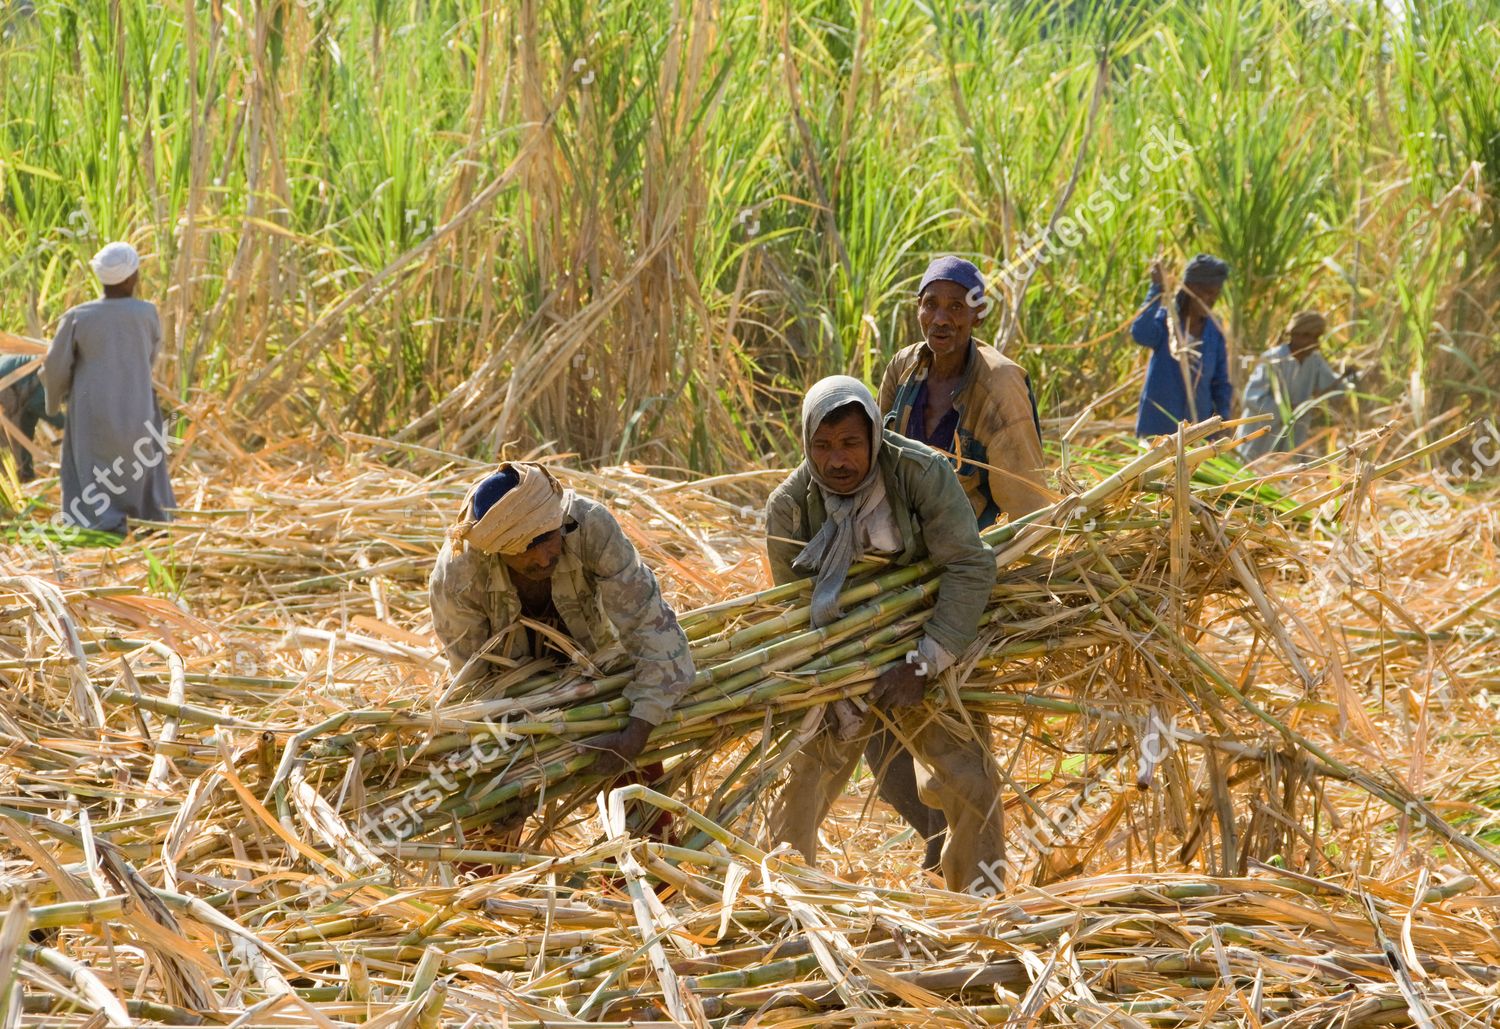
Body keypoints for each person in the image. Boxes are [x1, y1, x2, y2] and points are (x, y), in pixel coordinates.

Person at [765, 375, 1006, 892]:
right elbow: (792, 610)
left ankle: (980, 906)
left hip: (925, 646)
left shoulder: (921, 473)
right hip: (835, 658)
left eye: (851, 443)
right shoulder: (789, 506)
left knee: (970, 776)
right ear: (806, 443)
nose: (838, 461)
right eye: (822, 446)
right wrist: (833, 679)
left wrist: (925, 661)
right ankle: (785, 902)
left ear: (874, 436)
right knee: (800, 777)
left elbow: (969, 566)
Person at [874, 255, 1048, 870]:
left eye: (955, 306)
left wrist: (1004, 576)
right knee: (880, 726)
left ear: (978, 312)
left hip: (966, 569)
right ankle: (940, 841)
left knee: (962, 735)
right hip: (897, 569)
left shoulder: (998, 384)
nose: (939, 318)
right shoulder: (906, 369)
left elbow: (1025, 496)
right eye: (930, 304)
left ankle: (980, 888)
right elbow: (874, 459)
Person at [429, 462, 695, 778]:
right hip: (514, 701)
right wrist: (510, 774)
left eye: (549, 537)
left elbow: (651, 630)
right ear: (495, 549)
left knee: (644, 793)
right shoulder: (458, 578)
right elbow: (476, 686)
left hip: (599, 675)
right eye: (525, 547)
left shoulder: (588, 526)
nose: (544, 558)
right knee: (488, 800)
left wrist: (636, 733)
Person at [41, 242, 175, 534]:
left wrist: (54, 403)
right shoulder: (147, 314)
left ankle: (98, 522)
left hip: (92, 411)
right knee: (141, 462)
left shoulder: (79, 316)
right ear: (129, 278)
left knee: (92, 467)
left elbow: (55, 367)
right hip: (138, 407)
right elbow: (149, 358)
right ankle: (147, 520)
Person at [1132, 253, 1233, 437]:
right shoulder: (1166, 321)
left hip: (1196, 433)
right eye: (1207, 292)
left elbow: (1220, 383)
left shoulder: (1215, 332)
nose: (1211, 300)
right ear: (1189, 289)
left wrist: (1222, 422)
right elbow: (1140, 333)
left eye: (1216, 294)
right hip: (1158, 432)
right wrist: (1156, 289)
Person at [1238, 311, 1356, 462]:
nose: (1313, 342)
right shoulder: (1273, 359)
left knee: (1286, 475)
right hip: (1261, 436)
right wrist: (1287, 409)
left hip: (1293, 439)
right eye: (1307, 336)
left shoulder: (1315, 361)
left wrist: (1350, 380)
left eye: (1316, 337)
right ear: (1294, 335)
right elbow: (1252, 398)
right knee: (1252, 471)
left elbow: (1334, 387)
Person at [0, 354, 63, 482]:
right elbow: (41, 405)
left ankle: (25, 477)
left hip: (21, 393)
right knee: (14, 439)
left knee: (23, 435)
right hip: (11, 389)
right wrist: (67, 424)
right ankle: (18, 479)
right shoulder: (51, 371)